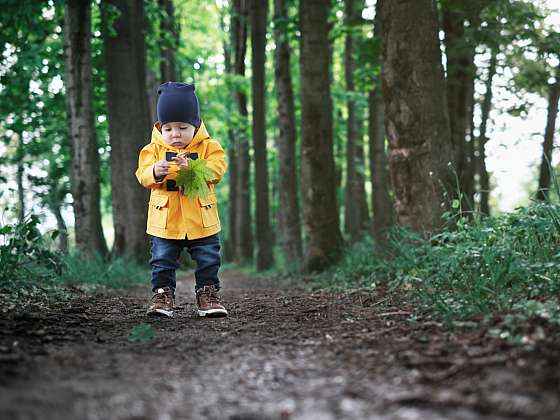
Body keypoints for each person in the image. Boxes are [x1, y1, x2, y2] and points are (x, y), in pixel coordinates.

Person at [135, 82, 227, 318]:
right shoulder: (152, 150)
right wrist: (155, 171)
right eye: (168, 129)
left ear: (195, 126)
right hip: (166, 219)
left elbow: (217, 170)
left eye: (183, 127)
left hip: (201, 216)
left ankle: (208, 294)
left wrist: (195, 167)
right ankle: (163, 296)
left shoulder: (210, 147)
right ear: (160, 127)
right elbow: (142, 175)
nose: (175, 134)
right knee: (162, 259)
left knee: (208, 258)